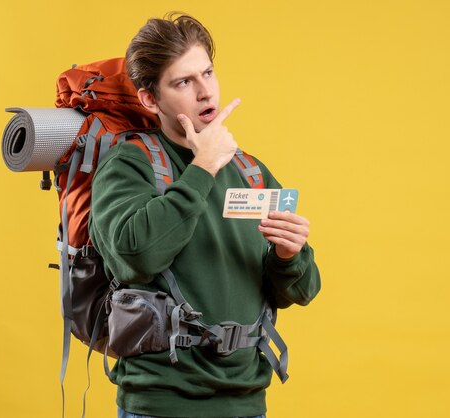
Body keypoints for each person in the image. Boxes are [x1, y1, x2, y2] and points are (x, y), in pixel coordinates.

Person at [89, 12, 321, 418]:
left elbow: (301, 291)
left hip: (247, 402)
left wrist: (290, 256)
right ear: (149, 98)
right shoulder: (130, 163)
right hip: (159, 404)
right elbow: (136, 257)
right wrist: (203, 167)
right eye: (183, 82)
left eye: (208, 73)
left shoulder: (250, 169)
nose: (204, 92)